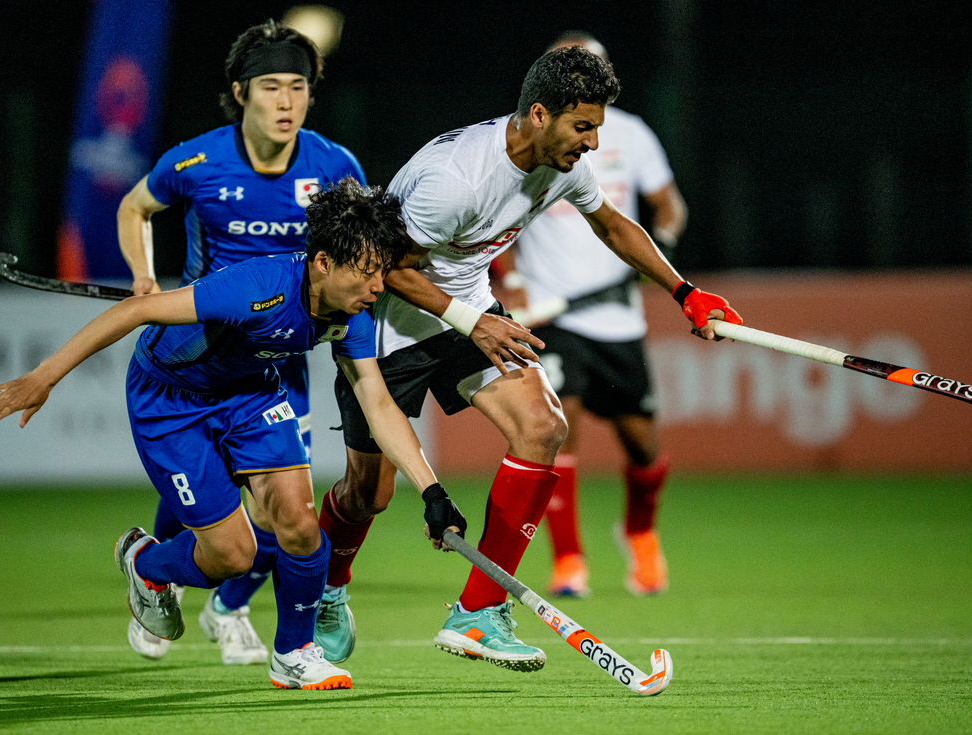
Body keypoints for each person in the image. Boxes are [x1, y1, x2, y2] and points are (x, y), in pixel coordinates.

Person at [318, 46, 743, 672]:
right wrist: (473, 321)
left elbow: (613, 226)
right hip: (388, 323)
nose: (593, 143)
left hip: (468, 308)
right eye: (583, 126)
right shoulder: (456, 180)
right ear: (540, 114)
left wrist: (684, 292)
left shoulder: (562, 164)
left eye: (597, 127)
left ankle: (479, 613)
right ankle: (326, 593)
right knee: (368, 494)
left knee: (542, 425)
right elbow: (388, 269)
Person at [0, 179, 468, 691]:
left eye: (382, 273)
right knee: (231, 557)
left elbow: (379, 404)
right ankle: (145, 562)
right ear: (324, 262)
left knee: (302, 527)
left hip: (251, 395)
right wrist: (45, 377)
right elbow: (134, 311)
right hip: (171, 401)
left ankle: (293, 654)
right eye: (367, 273)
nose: (378, 287)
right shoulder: (256, 287)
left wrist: (432, 492)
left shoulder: (352, 318)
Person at [116, 19, 365, 664]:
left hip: (279, 362)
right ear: (241, 92)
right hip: (200, 354)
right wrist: (144, 277)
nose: (287, 101)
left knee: (288, 510)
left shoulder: (335, 166)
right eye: (272, 86)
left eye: (298, 87)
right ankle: (163, 573)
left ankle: (228, 609)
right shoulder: (197, 161)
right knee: (211, 501)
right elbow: (134, 208)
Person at [496, 32, 688, 598]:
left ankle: (639, 531)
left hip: (618, 318)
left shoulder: (632, 135)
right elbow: (494, 221)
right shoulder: (533, 140)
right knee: (560, 434)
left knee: (644, 447)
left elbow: (668, 208)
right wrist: (514, 284)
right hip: (552, 314)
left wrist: (661, 250)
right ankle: (569, 560)